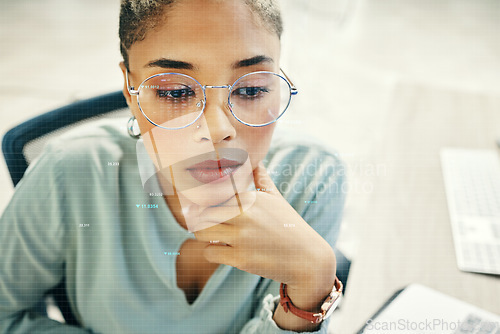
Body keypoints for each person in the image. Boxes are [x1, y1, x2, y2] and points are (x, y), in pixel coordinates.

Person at [0, 0, 346, 333]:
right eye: (176, 93)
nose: (218, 129)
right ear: (129, 88)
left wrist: (313, 280)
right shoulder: (70, 172)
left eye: (252, 89)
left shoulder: (313, 175)